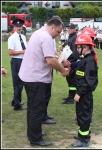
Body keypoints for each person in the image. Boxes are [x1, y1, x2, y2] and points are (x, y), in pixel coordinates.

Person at [18, 16, 69, 146]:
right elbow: (50, 60)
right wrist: (63, 70)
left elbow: (50, 55)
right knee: (36, 109)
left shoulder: (38, 33)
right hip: (36, 78)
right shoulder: (46, 37)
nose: (58, 35)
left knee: (32, 108)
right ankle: (35, 138)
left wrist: (60, 60)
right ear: (52, 27)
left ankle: (33, 132)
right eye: (58, 32)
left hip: (29, 76)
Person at [71, 33, 98, 147]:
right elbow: (79, 74)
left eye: (79, 47)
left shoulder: (90, 61)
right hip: (82, 93)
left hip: (84, 94)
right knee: (80, 115)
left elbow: (89, 82)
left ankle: (84, 140)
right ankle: (81, 135)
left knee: (84, 116)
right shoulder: (85, 59)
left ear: (85, 47)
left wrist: (79, 93)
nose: (77, 49)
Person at [8, 18, 27, 111]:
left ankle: (16, 100)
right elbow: (10, 52)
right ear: (14, 27)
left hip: (23, 61)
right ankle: (17, 105)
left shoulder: (22, 37)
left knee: (21, 82)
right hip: (16, 61)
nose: (19, 28)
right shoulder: (12, 38)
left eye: (20, 26)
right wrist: (23, 51)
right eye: (17, 26)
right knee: (18, 84)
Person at [62, 23, 79, 104]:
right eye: (68, 28)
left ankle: (71, 98)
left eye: (70, 28)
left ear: (74, 29)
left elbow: (75, 53)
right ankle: (70, 96)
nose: (68, 29)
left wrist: (70, 63)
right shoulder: (70, 37)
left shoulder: (75, 38)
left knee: (72, 80)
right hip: (68, 61)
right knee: (69, 80)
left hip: (72, 62)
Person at [42, 39, 57, 124]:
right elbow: (50, 59)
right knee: (45, 95)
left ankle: (44, 114)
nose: (59, 34)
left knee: (47, 94)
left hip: (48, 70)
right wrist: (61, 69)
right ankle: (43, 116)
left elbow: (53, 53)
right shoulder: (46, 39)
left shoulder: (51, 39)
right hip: (44, 71)